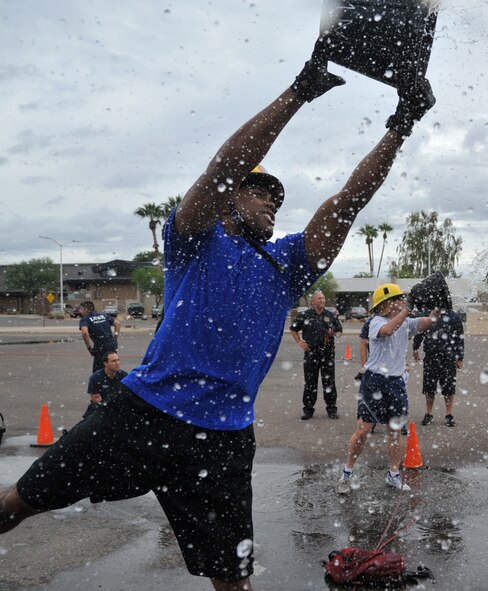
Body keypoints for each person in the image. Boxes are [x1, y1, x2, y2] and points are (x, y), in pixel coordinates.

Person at [0, 49, 435, 591]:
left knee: (233, 579)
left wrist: (400, 126)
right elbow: (221, 170)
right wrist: (298, 92)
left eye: (278, 199)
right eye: (260, 194)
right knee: (21, 500)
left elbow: (348, 201)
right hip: (143, 414)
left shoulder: (285, 265)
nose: (273, 204)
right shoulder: (193, 240)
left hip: (224, 440)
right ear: (231, 201)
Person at [338, 284, 438, 495]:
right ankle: (347, 472)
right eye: (398, 299)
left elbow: (428, 322)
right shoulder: (376, 322)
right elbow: (388, 330)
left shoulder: (406, 322)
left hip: (395, 383)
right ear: (386, 304)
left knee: (394, 432)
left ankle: (393, 474)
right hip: (374, 381)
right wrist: (407, 310)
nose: (402, 301)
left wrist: (438, 306)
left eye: (403, 299)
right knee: (363, 430)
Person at [291, 290, 343, 419]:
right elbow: (293, 329)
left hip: (327, 353)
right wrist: (299, 342)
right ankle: (308, 409)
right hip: (311, 353)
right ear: (313, 301)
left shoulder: (330, 315)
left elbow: (340, 331)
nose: (322, 300)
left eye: (323, 298)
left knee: (329, 382)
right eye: (319, 298)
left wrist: (335, 333)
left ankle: (331, 409)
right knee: (310, 382)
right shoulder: (305, 315)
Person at [413, 306, 464, 427]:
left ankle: (449, 414)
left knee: (448, 388)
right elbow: (420, 332)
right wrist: (415, 348)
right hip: (431, 357)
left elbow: (459, 338)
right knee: (429, 388)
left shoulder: (453, 316)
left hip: (448, 358)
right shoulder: (427, 314)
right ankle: (428, 414)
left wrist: (460, 357)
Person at [83, 351, 128, 419]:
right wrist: (108, 407)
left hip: (118, 406)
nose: (117, 363)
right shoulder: (96, 377)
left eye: (118, 360)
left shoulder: (124, 375)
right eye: (113, 361)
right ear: (105, 363)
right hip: (101, 407)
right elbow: (96, 398)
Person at [79, 301, 121, 373]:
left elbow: (85, 333)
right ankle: (112, 381)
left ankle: (100, 383)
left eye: (82, 309)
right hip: (112, 344)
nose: (81, 311)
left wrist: (89, 347)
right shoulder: (103, 315)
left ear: (86, 310)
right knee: (111, 365)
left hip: (101, 346)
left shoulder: (85, 319)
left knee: (98, 371)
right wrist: (115, 337)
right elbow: (118, 324)